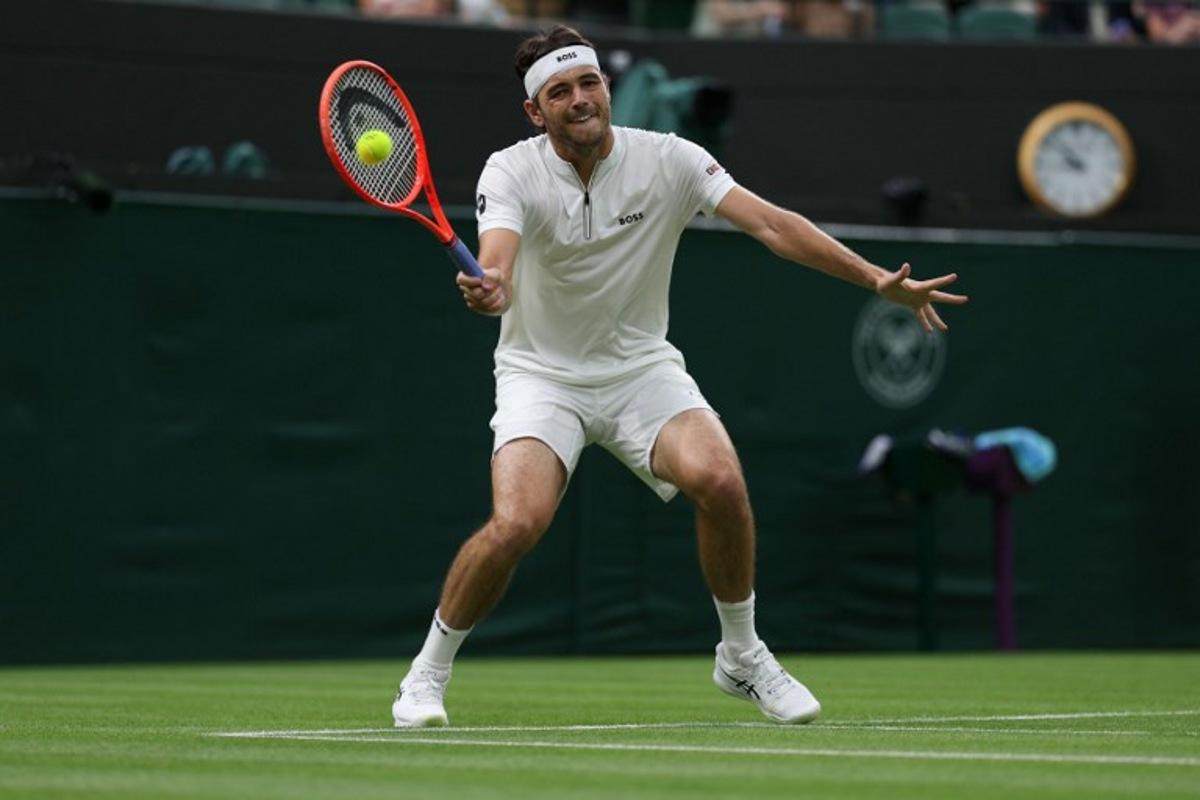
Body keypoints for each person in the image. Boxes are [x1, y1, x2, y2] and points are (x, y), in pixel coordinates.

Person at [392, 24, 968, 728]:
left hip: (641, 370)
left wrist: (876, 279)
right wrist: (495, 290)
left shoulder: (670, 159)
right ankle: (427, 673)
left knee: (720, 480)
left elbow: (774, 226)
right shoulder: (508, 171)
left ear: (606, 86)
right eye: (560, 91)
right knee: (516, 523)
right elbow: (499, 261)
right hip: (541, 376)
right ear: (534, 112)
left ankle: (743, 656)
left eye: (589, 83)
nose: (581, 100)